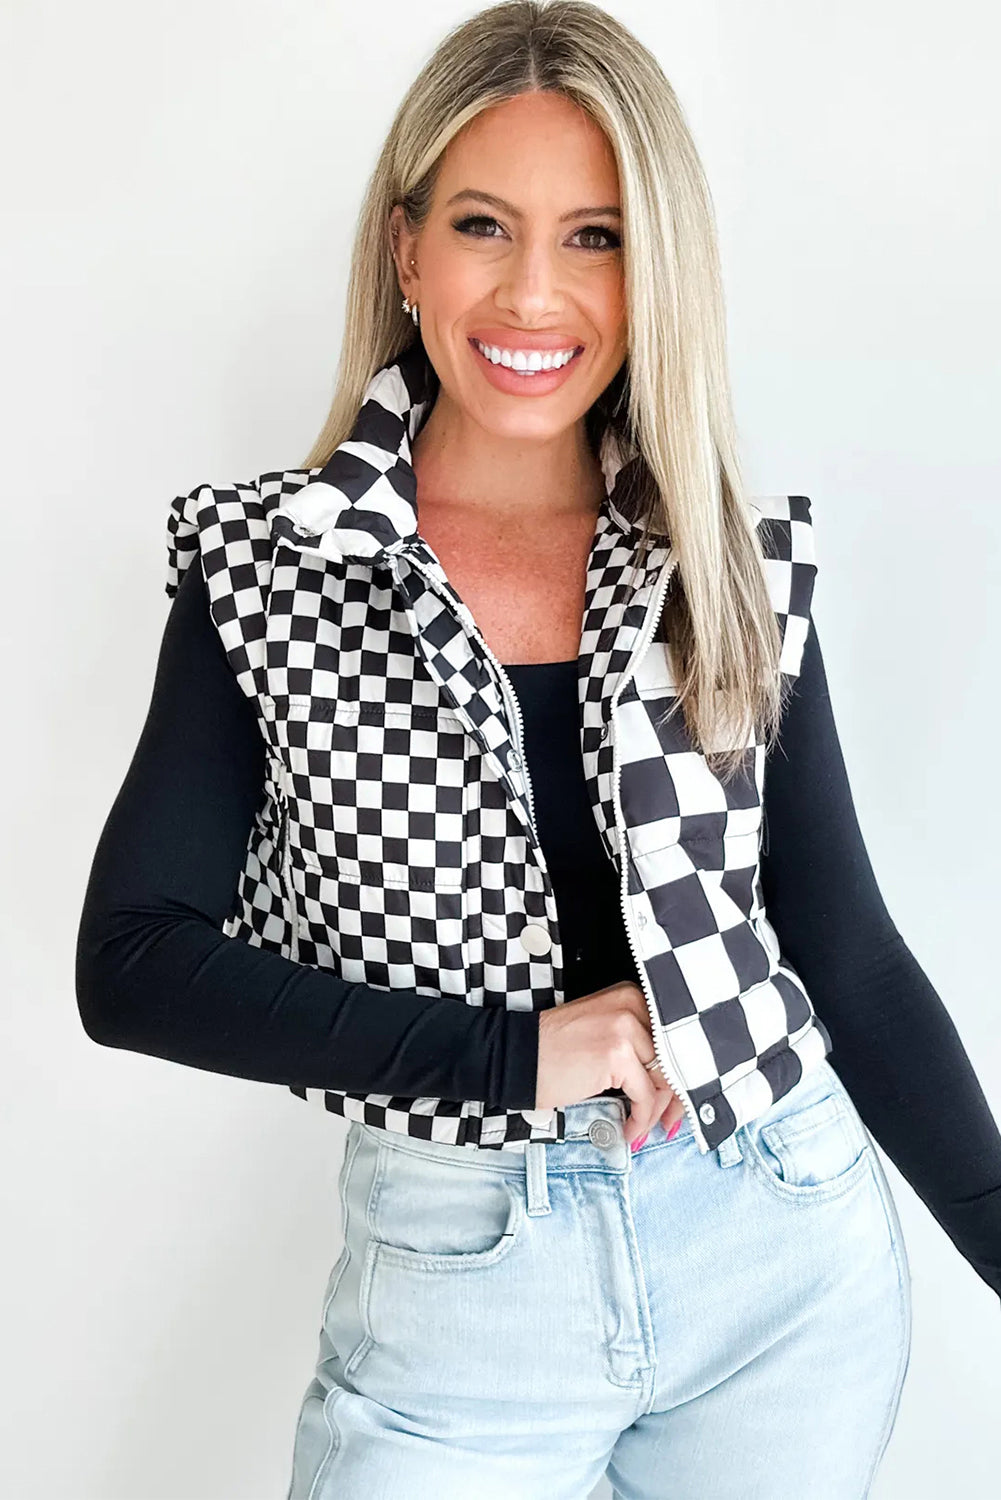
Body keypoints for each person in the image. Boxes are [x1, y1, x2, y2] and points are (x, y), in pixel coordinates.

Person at [75, 3, 1001, 1496]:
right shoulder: (269, 571)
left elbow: (849, 956)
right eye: (483, 225)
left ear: (654, 271)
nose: (531, 291)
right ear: (406, 250)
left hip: (776, 1251)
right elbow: (132, 961)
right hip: (456, 1290)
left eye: (594, 237)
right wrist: (514, 1055)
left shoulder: (719, 559)